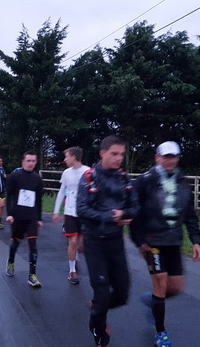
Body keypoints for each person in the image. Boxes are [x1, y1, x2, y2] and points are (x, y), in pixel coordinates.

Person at [129, 141, 200, 347]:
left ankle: (151, 301)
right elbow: (134, 214)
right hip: (152, 240)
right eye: (166, 156)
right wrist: (139, 241)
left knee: (176, 288)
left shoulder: (182, 182)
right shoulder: (144, 182)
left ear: (178, 158)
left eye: (174, 156)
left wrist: (196, 240)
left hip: (174, 240)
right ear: (157, 157)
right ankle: (161, 333)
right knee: (160, 282)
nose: (170, 160)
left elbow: (190, 214)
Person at [76, 135, 139, 347]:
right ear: (102, 153)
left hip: (115, 242)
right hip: (95, 242)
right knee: (102, 291)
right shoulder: (89, 177)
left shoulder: (123, 178)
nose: (119, 158)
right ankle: (100, 335)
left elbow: (134, 206)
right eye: (114, 153)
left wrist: (124, 213)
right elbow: (82, 209)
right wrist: (110, 216)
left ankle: (97, 307)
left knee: (122, 294)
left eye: (122, 154)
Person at [5, 151, 44, 288]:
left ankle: (32, 275)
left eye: (33, 161)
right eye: (28, 161)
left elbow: (39, 200)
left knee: (33, 245)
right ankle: (11, 261)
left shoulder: (37, 178)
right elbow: (9, 196)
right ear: (23, 162)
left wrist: (39, 218)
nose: (31, 163)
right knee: (16, 242)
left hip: (31, 216)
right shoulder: (15, 176)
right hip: (17, 216)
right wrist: (9, 214)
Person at [53, 146, 90, 285]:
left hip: (83, 213)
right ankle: (72, 271)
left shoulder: (87, 171)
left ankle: (76, 256)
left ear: (74, 157)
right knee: (72, 242)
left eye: (67, 156)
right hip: (69, 213)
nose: (65, 159)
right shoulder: (66, 173)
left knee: (80, 247)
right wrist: (56, 211)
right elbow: (61, 192)